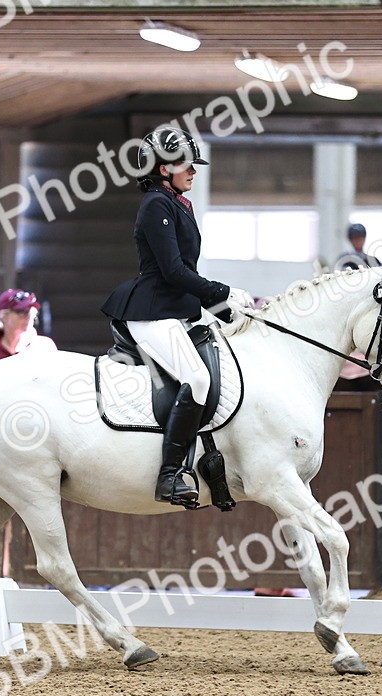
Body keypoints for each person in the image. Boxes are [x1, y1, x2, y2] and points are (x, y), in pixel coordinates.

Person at [100, 126, 253, 507]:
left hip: (173, 308)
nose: (194, 171)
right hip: (151, 312)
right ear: (163, 167)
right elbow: (172, 271)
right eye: (186, 163)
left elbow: (185, 272)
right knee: (198, 378)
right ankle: (169, 474)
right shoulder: (155, 205)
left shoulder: (176, 203)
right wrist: (222, 292)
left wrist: (225, 308)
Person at [0, 289, 57, 369]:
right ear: (4, 316)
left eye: (30, 311)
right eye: (22, 312)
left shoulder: (44, 346)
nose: (28, 316)